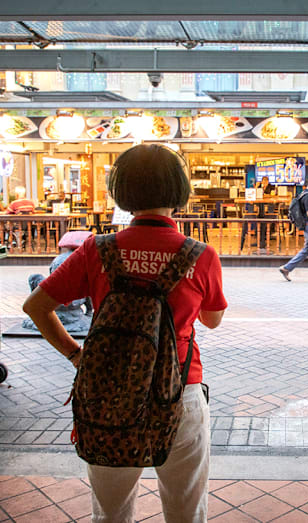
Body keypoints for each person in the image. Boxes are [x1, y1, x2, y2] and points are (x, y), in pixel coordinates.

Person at [23, 144, 227, 523]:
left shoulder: (96, 249)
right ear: (179, 190)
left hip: (108, 393)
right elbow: (212, 320)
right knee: (186, 509)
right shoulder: (201, 254)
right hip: (180, 390)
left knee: (111, 512)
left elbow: (36, 306)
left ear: (122, 191)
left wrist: (76, 356)